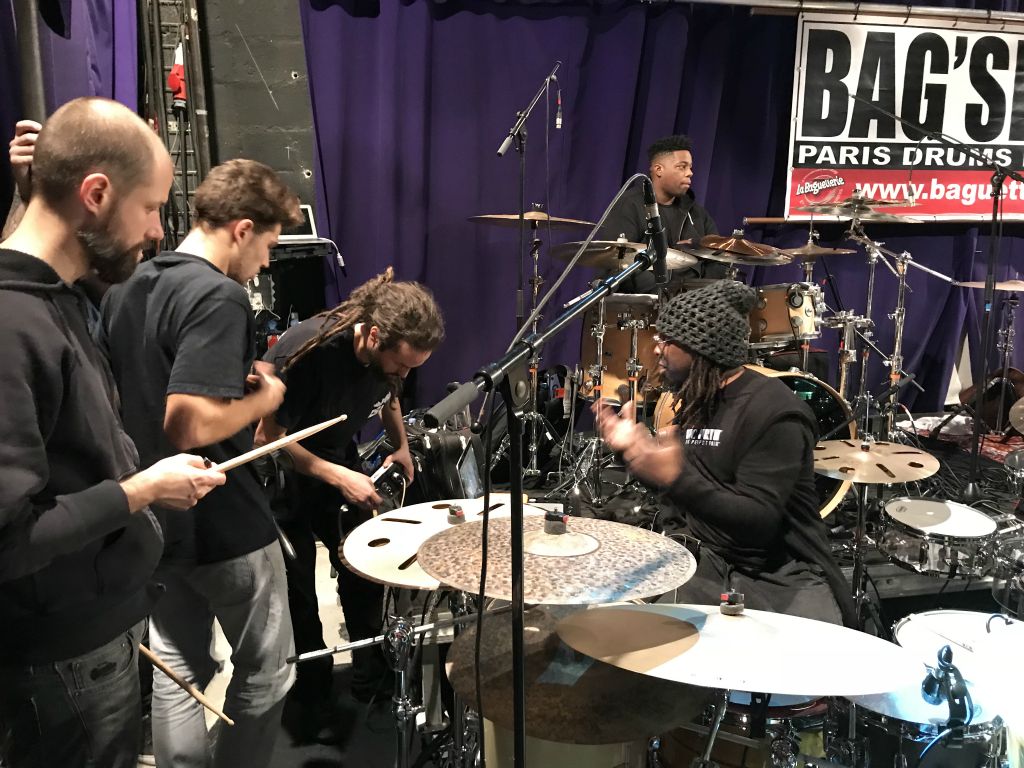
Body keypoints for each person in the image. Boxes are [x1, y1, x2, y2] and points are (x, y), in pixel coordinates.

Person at [0, 96, 226, 768]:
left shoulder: (56, 296)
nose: (157, 230)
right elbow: (8, 540)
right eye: (151, 207)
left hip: (92, 635)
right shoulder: (11, 327)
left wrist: (29, 194)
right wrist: (141, 490)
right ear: (96, 194)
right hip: (64, 656)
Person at [100, 158, 302, 768]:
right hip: (223, 518)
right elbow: (186, 422)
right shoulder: (219, 294)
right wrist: (264, 399)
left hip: (152, 515)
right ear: (242, 230)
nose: (265, 262)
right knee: (268, 671)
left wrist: (231, 388)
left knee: (180, 669)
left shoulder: (127, 286)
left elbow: (141, 390)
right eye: (267, 245)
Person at [595, 280, 855, 626]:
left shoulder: (775, 412)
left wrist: (674, 477)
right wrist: (634, 454)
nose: (656, 350)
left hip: (780, 574)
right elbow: (693, 493)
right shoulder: (700, 398)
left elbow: (756, 519)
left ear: (701, 348)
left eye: (666, 340)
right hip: (710, 560)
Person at [255, 269, 444, 724]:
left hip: (336, 459)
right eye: (400, 364)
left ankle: (368, 675)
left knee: (364, 570)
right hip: (284, 473)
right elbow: (266, 438)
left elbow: (389, 392)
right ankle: (313, 691)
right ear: (374, 336)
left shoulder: (388, 359)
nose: (405, 374)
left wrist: (400, 444)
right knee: (299, 591)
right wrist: (338, 476)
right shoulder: (308, 352)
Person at [601, 134, 723, 292]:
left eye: (690, 167)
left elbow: (718, 260)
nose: (690, 173)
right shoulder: (629, 205)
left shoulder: (697, 213)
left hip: (693, 301)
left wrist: (701, 293)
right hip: (649, 300)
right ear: (659, 170)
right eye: (682, 167)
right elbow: (617, 264)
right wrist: (667, 293)